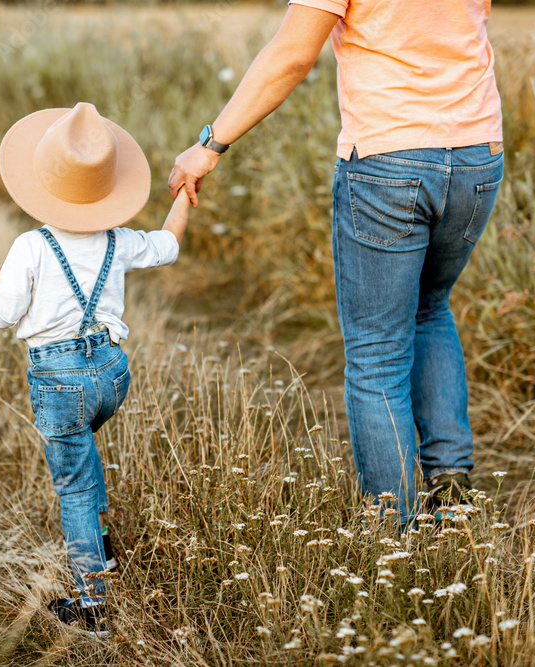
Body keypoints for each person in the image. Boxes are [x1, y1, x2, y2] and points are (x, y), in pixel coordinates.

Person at [168, 0, 504, 524]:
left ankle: (395, 534)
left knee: (376, 356)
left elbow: (292, 55)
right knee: (430, 309)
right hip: (477, 154)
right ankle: (451, 490)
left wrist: (210, 145)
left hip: (389, 160)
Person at [0, 102, 190, 634]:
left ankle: (92, 607)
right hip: (113, 374)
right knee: (83, 453)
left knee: (71, 482)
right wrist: (185, 195)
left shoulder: (30, 246)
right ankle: (102, 540)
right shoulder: (116, 240)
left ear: (43, 182)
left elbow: (0, 317)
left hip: (59, 377)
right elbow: (169, 246)